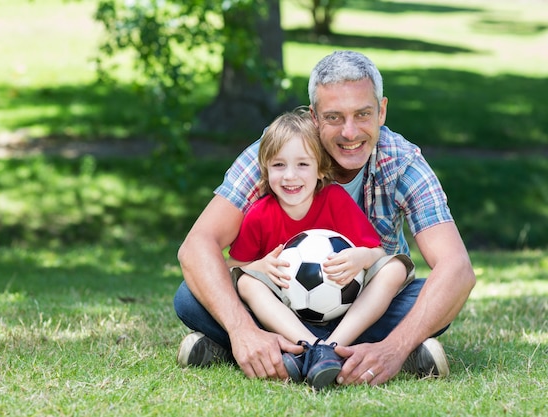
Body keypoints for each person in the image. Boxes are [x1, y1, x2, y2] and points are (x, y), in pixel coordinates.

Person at [174, 50, 476, 386]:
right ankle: (292, 349)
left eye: (363, 114)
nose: (350, 132)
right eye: (334, 117)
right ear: (314, 117)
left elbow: (457, 270)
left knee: (426, 297)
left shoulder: (402, 163)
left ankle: (288, 354)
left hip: (365, 310)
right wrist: (241, 328)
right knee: (190, 298)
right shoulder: (278, 155)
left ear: (382, 111)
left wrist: (394, 347)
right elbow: (197, 246)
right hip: (280, 307)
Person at [224, 108, 415, 389]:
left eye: (302, 164)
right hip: (283, 314)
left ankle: (324, 349)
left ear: (321, 168)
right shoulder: (259, 214)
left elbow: (377, 254)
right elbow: (232, 268)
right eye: (279, 165)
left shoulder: (335, 200)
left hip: (347, 313)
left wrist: (360, 257)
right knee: (242, 287)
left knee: (397, 268)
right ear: (265, 169)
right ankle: (314, 348)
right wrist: (259, 267)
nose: (290, 176)